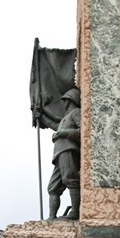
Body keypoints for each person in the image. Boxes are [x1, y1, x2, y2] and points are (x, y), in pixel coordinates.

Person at [47, 88, 81, 220]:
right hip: (59, 153)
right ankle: (52, 216)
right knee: (53, 187)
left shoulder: (76, 113)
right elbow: (52, 122)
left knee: (70, 179)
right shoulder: (65, 117)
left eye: (65, 101)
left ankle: (75, 212)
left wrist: (65, 133)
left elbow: (83, 130)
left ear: (70, 100)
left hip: (68, 149)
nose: (64, 104)